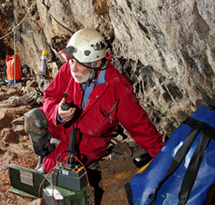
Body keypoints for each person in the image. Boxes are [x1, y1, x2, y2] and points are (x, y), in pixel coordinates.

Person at [24, 28, 164, 173]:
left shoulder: (117, 87)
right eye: (71, 61)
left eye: (79, 64)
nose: (74, 68)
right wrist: (57, 114)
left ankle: (53, 159)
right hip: (63, 127)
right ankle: (48, 151)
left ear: (96, 63)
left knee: (51, 172)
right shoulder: (69, 69)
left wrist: (163, 155)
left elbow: (138, 125)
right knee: (33, 118)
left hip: (86, 142)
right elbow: (50, 96)